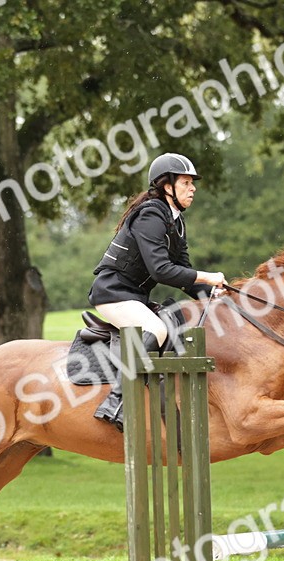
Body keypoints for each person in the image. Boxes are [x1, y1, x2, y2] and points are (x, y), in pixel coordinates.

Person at [87, 153, 226, 430]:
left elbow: (184, 274)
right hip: (113, 293)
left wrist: (215, 298)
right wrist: (207, 276)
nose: (193, 188)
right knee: (157, 329)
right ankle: (116, 402)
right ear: (167, 186)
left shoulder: (175, 222)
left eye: (192, 183)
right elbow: (161, 270)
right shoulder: (151, 214)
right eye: (186, 183)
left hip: (134, 297)